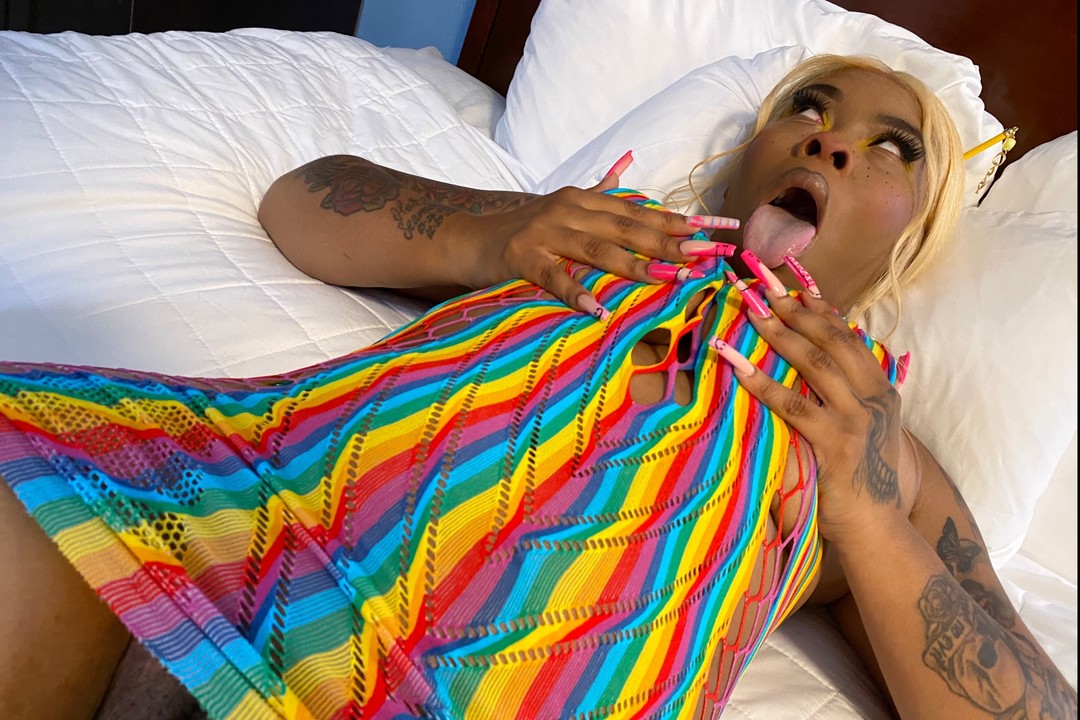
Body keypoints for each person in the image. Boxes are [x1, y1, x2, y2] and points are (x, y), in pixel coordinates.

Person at [0, 54, 1074, 720]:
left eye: (892, 150)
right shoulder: (594, 236)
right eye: (810, 107)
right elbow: (304, 199)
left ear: (907, 248)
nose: (832, 140)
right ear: (753, 156)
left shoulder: (874, 442)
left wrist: (872, 516)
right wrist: (494, 231)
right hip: (231, 521)